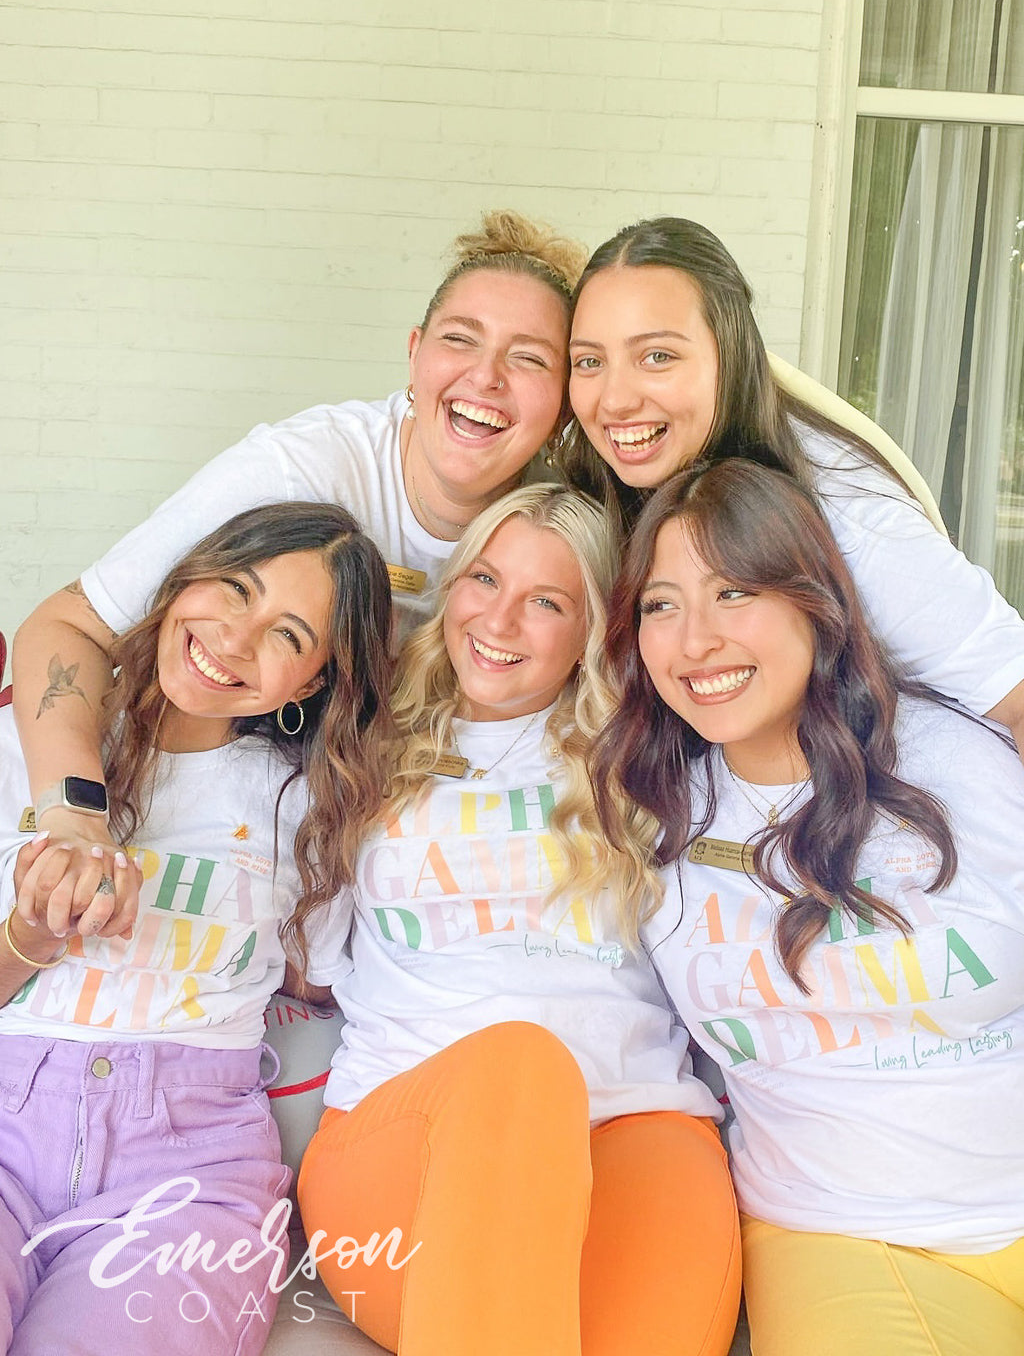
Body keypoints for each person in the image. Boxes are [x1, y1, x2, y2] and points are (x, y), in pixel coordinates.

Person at [11, 209, 586, 935]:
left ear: (566, 401)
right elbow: (68, 624)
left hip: (395, 821)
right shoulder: (295, 470)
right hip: (255, 799)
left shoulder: (565, 527)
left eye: (529, 359)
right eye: (459, 339)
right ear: (414, 355)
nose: (486, 377)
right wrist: (73, 817)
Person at [296, 483, 741, 1356]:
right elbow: (308, 961)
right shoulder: (365, 748)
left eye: (546, 602)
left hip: (634, 1125)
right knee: (522, 1063)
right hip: (409, 1135)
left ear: (591, 633)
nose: (498, 621)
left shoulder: (645, 760)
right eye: (484, 580)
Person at [595, 458, 1024, 1356]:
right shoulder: (648, 815)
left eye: (734, 592)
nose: (696, 640)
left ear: (813, 601)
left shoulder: (959, 760)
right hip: (844, 1236)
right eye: (662, 606)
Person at [0, 503, 394, 1356]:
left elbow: (323, 979)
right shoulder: (26, 743)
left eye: (287, 634)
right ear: (185, 578)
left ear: (312, 683)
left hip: (190, 1170)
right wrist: (31, 934)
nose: (235, 638)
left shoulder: (308, 805)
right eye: (235, 588)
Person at [561, 216, 1024, 754]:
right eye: (589, 361)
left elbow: (1015, 692)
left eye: (658, 356)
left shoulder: (847, 514)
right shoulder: (601, 466)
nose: (615, 400)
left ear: (732, 353)